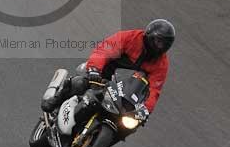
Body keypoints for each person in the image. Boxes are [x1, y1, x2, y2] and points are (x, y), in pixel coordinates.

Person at [41, 19, 175, 126]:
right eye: (158, 41)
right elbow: (104, 51)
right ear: (150, 36)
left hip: (124, 92)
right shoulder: (130, 38)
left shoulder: (161, 63)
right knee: (80, 83)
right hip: (102, 75)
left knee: (131, 123)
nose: (160, 46)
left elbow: (154, 90)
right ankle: (56, 101)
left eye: (165, 44)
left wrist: (146, 110)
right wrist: (94, 70)